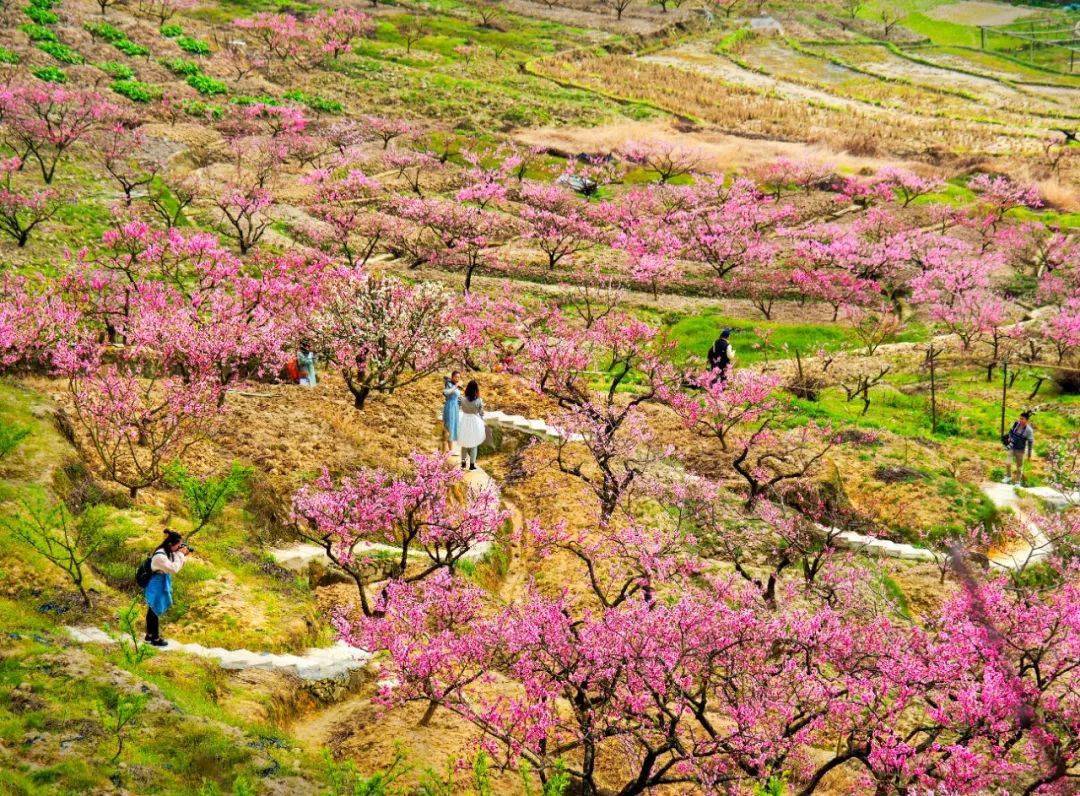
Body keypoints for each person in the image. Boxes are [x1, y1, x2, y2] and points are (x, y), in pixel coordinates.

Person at [144, 530, 189, 647]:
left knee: (152, 608)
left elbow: (177, 564)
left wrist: (181, 555)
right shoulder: (160, 555)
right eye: (178, 546)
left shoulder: (167, 552)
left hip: (160, 581)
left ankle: (149, 635)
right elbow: (174, 569)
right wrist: (180, 554)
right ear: (171, 544)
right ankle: (155, 638)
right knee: (154, 608)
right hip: (156, 582)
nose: (179, 548)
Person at [457, 380, 486, 471]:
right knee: (474, 444)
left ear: (467, 389)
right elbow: (481, 413)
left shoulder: (462, 399)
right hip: (475, 422)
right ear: (476, 389)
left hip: (464, 420)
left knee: (464, 443)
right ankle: (472, 465)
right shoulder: (479, 400)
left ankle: (463, 464)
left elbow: (457, 407)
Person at [1003, 411, 1035, 485]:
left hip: (1020, 450)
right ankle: (1008, 477)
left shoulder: (1029, 430)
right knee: (1008, 462)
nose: (1020, 420)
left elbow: (1030, 442)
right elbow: (1010, 432)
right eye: (1020, 418)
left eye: (1022, 419)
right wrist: (1009, 438)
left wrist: (1029, 455)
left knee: (1019, 467)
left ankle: (1018, 482)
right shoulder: (1016, 424)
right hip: (1012, 447)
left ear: (1027, 420)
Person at [441, 371, 461, 454]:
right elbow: (446, 392)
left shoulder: (454, 385)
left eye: (459, 377)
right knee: (449, 426)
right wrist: (456, 386)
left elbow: (457, 397)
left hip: (455, 407)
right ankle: (446, 450)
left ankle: (450, 450)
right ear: (452, 377)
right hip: (450, 406)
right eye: (456, 377)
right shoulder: (449, 384)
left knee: (453, 426)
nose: (457, 379)